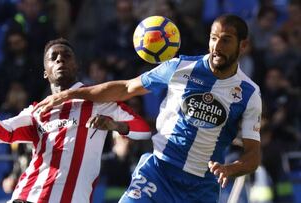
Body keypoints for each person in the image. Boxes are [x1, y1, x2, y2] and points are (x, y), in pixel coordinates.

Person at [33, 14, 262, 202]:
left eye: (226, 40)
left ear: (243, 45)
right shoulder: (181, 67)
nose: (217, 46)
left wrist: (230, 169)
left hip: (201, 188)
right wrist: (69, 94)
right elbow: (125, 88)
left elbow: (253, 154)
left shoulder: (249, 94)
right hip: (159, 171)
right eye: (214, 38)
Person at [0, 38, 151, 203]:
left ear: (76, 66)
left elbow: (143, 130)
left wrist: (114, 125)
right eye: (53, 57)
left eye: (66, 56)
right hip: (30, 196)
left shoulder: (99, 102)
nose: (60, 59)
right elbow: (6, 133)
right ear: (45, 72)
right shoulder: (37, 111)